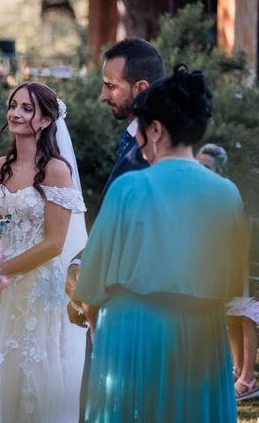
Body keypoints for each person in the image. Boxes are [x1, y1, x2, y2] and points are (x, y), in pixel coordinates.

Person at [75, 66, 248, 422]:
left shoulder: (129, 188)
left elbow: (90, 285)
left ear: (154, 129)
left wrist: (97, 327)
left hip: (135, 332)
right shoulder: (227, 193)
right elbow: (231, 287)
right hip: (203, 339)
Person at [0, 81, 88, 422]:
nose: (16, 113)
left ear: (44, 120)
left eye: (27, 108)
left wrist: (3, 269)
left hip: (36, 286)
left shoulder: (56, 170)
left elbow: (55, 243)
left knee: (30, 368)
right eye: (13, 105)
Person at [70, 38, 166, 421]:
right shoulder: (132, 137)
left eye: (111, 86)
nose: (102, 94)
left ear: (140, 88)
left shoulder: (154, 151)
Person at [196, 143, 259, 400]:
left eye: (207, 166)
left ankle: (248, 377)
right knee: (232, 315)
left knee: (246, 314)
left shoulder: (227, 191)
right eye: (197, 165)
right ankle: (236, 370)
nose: (201, 171)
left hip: (242, 259)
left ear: (219, 169)